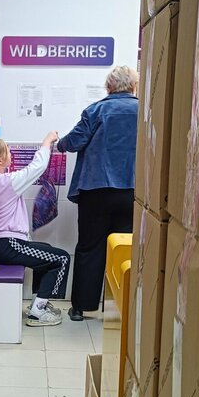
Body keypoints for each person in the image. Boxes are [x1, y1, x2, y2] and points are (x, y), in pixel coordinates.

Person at [57, 65, 139, 321]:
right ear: (134, 86)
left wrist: (59, 143)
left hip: (96, 190)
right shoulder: (145, 111)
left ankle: (80, 308)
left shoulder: (96, 111)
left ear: (109, 87)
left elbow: (74, 142)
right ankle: (120, 308)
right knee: (124, 249)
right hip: (131, 190)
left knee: (90, 247)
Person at [0, 132, 70, 326]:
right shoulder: (5, 182)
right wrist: (47, 142)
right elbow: (37, 167)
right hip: (7, 245)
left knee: (46, 251)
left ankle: (38, 303)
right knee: (61, 258)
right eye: (8, 151)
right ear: (0, 160)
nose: (11, 153)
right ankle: (38, 311)